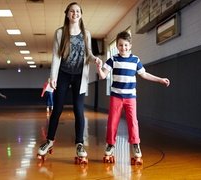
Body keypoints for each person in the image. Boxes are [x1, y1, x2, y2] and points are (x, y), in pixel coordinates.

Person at [95, 31, 170, 164]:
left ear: (130, 46)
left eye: (125, 45)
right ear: (117, 46)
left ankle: (135, 144)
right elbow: (103, 76)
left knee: (132, 121)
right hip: (116, 96)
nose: (123, 48)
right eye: (120, 45)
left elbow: (144, 74)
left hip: (130, 97)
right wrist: (99, 68)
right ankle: (110, 144)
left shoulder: (135, 60)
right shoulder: (113, 59)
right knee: (112, 122)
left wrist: (160, 80)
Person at [37, 2, 97, 163]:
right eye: (72, 11)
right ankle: (49, 141)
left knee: (79, 110)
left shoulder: (86, 34)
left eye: (77, 11)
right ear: (67, 14)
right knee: (57, 108)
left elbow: (89, 53)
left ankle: (79, 144)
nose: (75, 13)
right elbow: (56, 56)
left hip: (79, 76)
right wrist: (52, 76)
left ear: (81, 14)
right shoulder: (60, 33)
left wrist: (95, 59)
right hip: (63, 74)